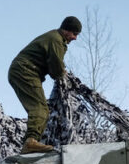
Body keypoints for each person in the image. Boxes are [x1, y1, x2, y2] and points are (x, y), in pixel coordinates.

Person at [8, 16, 82, 154]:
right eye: (74, 34)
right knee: (40, 108)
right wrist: (64, 76)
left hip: (21, 70)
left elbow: (53, 64)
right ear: (67, 31)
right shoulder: (56, 40)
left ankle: (30, 142)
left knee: (41, 109)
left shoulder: (54, 38)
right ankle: (30, 142)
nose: (75, 38)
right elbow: (56, 68)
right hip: (25, 71)